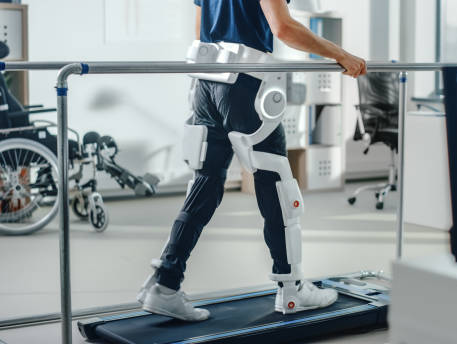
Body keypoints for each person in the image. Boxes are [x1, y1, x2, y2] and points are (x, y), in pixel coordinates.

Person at [141, 0, 367, 321]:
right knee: (276, 185)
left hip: (207, 81)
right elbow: (283, 28)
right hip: (246, 84)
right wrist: (340, 55)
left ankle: (165, 284)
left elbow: (200, 28)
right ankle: (292, 289)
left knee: (205, 183)